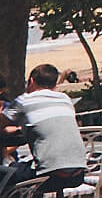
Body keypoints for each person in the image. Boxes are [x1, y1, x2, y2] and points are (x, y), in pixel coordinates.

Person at [0, 66, 82, 198]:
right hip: (78, 173)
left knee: (5, 174)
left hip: (48, 174)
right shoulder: (65, 99)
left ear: (31, 81)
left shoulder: (24, 101)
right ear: (54, 84)